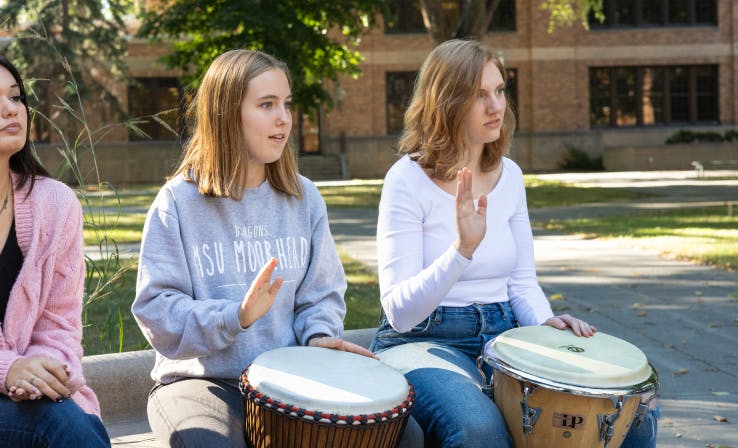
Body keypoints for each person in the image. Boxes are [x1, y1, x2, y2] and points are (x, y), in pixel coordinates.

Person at [369, 39, 658, 447]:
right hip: (423, 341)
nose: (496, 106)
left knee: (633, 409)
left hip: (504, 334)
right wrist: (461, 251)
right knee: (478, 428)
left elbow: (522, 282)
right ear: (447, 103)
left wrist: (546, 324)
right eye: (479, 95)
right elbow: (399, 312)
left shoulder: (511, 176)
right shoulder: (406, 180)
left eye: (500, 91)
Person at [132, 49, 422, 448]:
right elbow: (156, 309)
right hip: (204, 383)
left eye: (285, 104)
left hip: (292, 378)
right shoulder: (179, 202)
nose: (283, 118)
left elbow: (321, 294)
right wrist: (235, 316)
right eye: (266, 105)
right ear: (227, 114)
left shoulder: (303, 197)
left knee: (404, 436)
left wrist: (319, 336)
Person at [0, 54, 110, 447]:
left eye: (15, 97)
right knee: (63, 427)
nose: (10, 109)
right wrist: (9, 369)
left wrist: (43, 375)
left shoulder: (56, 204)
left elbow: (60, 325)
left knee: (68, 422)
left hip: (28, 400)